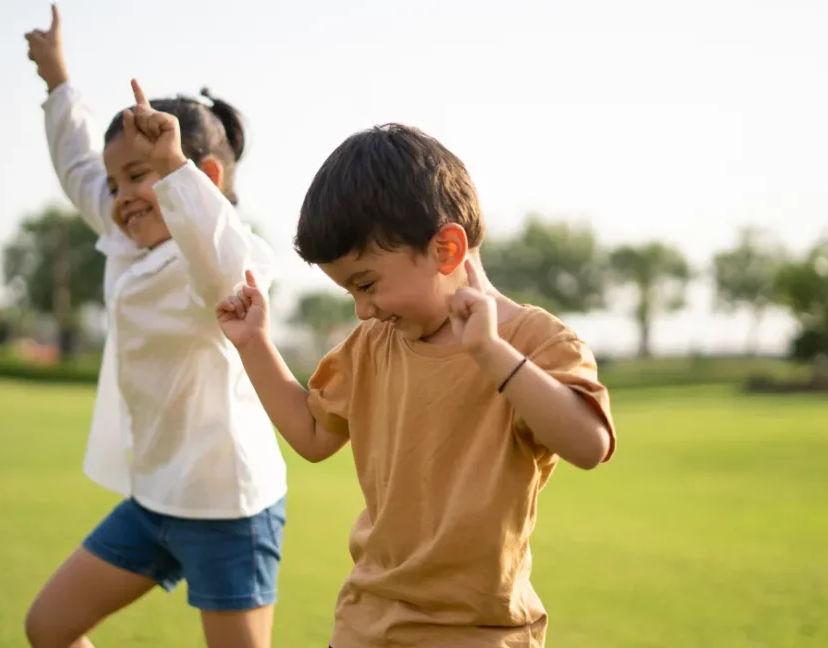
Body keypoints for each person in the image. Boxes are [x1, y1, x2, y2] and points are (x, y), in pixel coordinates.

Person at [215, 123, 618, 647]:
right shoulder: (372, 344)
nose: (362, 309)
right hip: (365, 622)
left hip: (477, 633)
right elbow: (313, 435)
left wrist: (493, 355)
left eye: (366, 283)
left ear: (446, 250)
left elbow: (590, 445)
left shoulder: (532, 341)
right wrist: (253, 343)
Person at [23, 6, 287, 648]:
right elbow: (80, 170)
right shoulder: (126, 239)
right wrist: (59, 82)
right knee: (49, 628)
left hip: (228, 507)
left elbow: (224, 271)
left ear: (206, 179)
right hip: (154, 500)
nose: (120, 197)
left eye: (138, 176)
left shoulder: (224, 253)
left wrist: (172, 167)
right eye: (118, 184)